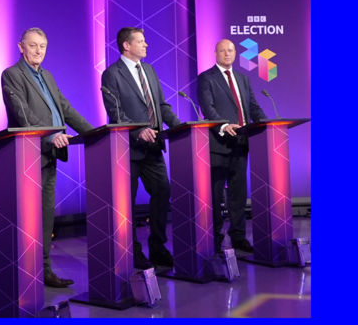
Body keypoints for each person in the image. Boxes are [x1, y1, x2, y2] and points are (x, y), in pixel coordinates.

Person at [1, 28, 94, 288]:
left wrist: (94, 133)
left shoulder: (48, 76)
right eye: (33, 45)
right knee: (28, 217)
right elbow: (23, 114)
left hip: (50, 154)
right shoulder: (12, 74)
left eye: (42, 46)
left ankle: (43, 269)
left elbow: (64, 108)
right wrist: (50, 135)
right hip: (29, 154)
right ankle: (24, 270)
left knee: (45, 216)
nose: (38, 50)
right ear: (21, 47)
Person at [101, 27, 182, 269]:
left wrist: (180, 127)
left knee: (162, 191)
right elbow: (115, 112)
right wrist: (138, 131)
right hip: (129, 149)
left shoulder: (149, 70)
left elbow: (161, 106)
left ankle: (158, 247)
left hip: (153, 147)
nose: (146, 45)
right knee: (128, 201)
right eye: (141, 41)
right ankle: (132, 250)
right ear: (126, 45)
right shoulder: (111, 74)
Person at [196, 39, 268, 253]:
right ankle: (214, 239)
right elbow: (207, 108)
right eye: (222, 51)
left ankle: (238, 236)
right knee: (215, 195)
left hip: (241, 142)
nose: (227, 54)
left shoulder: (243, 79)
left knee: (238, 194)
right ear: (215, 53)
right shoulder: (206, 77)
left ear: (235, 53)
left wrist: (268, 124)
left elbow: (253, 107)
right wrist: (224, 125)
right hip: (218, 143)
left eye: (230, 50)